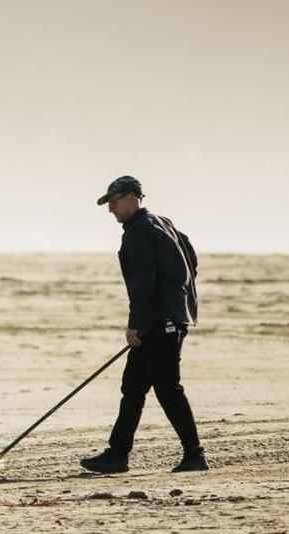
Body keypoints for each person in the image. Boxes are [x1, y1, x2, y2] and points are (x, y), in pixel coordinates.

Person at [81, 176, 208, 474]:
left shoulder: (138, 231)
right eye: (108, 204)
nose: (111, 209)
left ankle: (195, 455)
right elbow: (192, 261)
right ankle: (117, 454)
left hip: (158, 322)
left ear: (132, 197)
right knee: (134, 386)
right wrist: (175, 301)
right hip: (168, 318)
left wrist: (137, 324)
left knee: (167, 388)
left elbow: (143, 282)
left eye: (114, 202)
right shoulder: (162, 223)